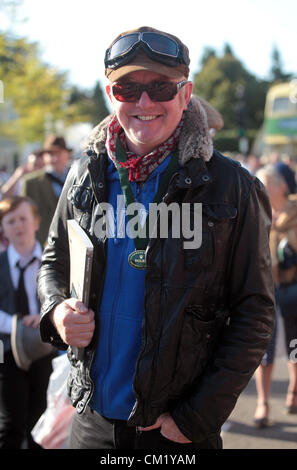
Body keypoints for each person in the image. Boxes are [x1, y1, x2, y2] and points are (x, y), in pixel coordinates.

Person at [38, 26, 275, 450]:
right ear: (112, 95)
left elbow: (254, 312)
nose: (144, 102)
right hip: (90, 424)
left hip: (176, 432)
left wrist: (197, 416)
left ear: (186, 95)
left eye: (160, 87)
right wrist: (56, 312)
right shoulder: (83, 176)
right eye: (128, 88)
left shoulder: (234, 188)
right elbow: (54, 260)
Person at [0, 196, 54, 448]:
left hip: (45, 348)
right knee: (10, 423)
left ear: (36, 222)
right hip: (6, 351)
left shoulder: (52, 261)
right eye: (10, 221)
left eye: (23, 218)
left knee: (41, 420)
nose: (18, 226)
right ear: (3, 228)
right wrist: (16, 323)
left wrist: (45, 316)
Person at [254, 164, 297, 427]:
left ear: (281, 187)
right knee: (262, 349)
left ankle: (294, 391)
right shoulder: (256, 212)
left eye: (265, 185)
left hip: (293, 289)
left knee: (295, 344)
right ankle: (263, 402)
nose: (262, 189)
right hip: (264, 290)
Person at [21, 136, 71, 247]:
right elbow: (24, 215)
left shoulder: (79, 177)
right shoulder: (31, 182)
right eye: (50, 154)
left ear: (67, 155)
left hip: (73, 243)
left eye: (58, 153)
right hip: (44, 244)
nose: (54, 158)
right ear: (44, 157)